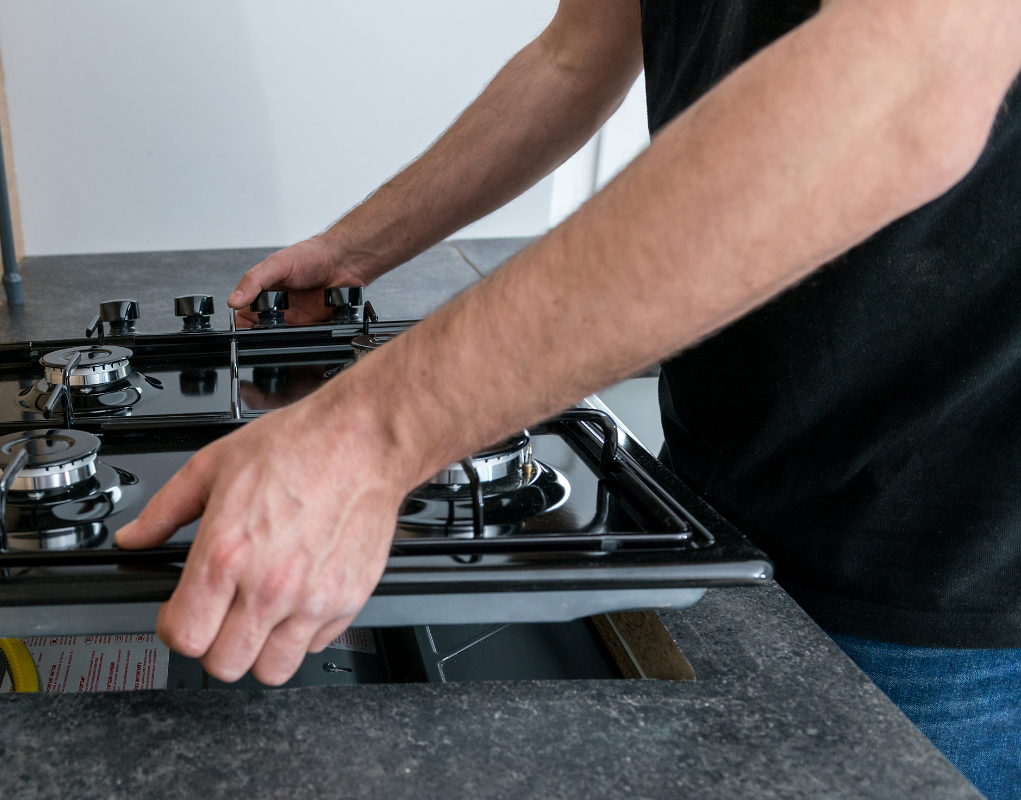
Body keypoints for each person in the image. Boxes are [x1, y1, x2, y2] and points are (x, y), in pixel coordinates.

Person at [114, 0, 1021, 795]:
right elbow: (578, 50)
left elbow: (908, 85)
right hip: (723, 491)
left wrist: (368, 434)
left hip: (948, 574)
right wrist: (356, 248)